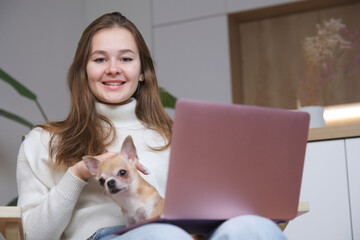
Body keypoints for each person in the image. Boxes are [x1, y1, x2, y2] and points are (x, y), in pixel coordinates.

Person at [16, 12, 287, 240]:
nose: (113, 68)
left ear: (142, 71)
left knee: (254, 228)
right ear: (83, 72)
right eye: (100, 59)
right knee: (164, 236)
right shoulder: (45, 141)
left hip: (180, 232)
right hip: (111, 236)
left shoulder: (176, 137)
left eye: (125, 58)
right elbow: (36, 235)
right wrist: (77, 173)